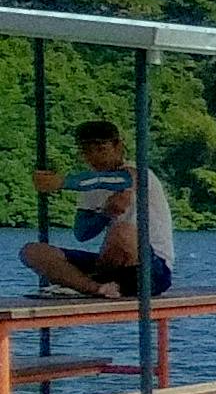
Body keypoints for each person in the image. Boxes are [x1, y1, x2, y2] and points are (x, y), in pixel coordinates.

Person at [22, 118, 174, 299]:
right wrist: (105, 214)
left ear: (118, 147)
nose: (95, 157)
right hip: (110, 265)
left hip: (152, 269)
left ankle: (85, 282)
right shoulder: (89, 187)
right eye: (87, 151)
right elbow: (82, 233)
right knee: (32, 251)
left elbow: (118, 180)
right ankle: (95, 288)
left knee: (123, 231)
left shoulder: (136, 172)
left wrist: (62, 182)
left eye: (101, 150)